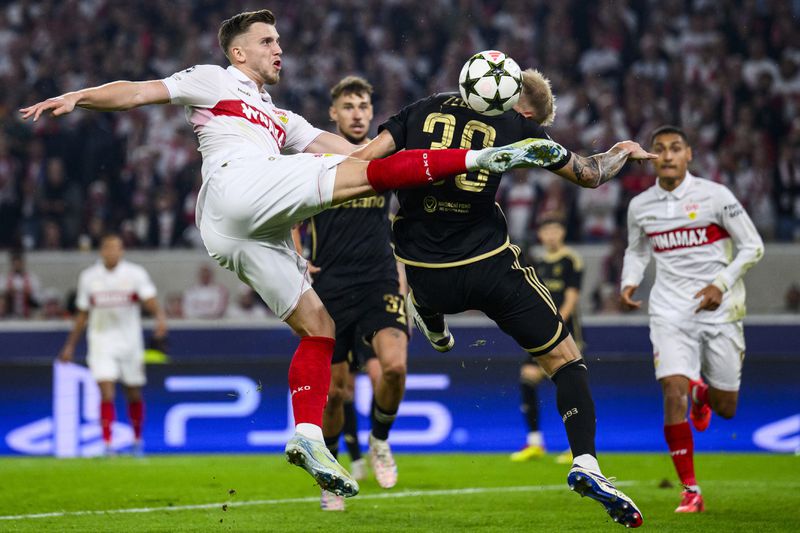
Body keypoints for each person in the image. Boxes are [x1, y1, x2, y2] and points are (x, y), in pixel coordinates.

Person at [21, 9, 562, 498]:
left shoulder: (280, 119)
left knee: (318, 327)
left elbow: (358, 154)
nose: (279, 48)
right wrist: (81, 96)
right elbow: (140, 91)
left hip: (237, 232)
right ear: (239, 53)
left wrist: (404, 149)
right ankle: (488, 157)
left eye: (279, 40)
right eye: (267, 41)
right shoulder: (213, 80)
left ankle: (306, 436)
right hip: (239, 185)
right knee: (370, 182)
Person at [352, 67, 655, 527]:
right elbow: (592, 174)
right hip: (489, 266)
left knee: (426, 275)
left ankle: (429, 314)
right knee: (565, 360)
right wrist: (621, 151)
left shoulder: (420, 110)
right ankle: (586, 463)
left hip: (426, 270)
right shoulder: (517, 127)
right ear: (519, 104)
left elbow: (365, 162)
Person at [620, 125, 764, 513]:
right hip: (668, 309)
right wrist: (630, 281)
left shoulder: (715, 197)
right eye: (660, 149)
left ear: (689, 156)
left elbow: (753, 246)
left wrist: (720, 283)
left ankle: (704, 395)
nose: (667, 155)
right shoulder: (640, 206)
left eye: (675, 148)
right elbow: (636, 250)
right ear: (651, 157)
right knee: (671, 391)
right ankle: (691, 490)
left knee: (727, 407)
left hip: (720, 309)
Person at [293, 76, 410, 510]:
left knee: (395, 368)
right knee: (337, 393)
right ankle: (330, 473)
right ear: (334, 114)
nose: (358, 113)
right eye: (349, 106)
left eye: (364, 105)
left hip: (380, 279)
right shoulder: (317, 159)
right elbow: (290, 213)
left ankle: (379, 440)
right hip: (331, 285)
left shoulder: (383, 154)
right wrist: (297, 255)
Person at [58, 234, 167, 456]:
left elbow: (149, 298)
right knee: (106, 392)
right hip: (101, 341)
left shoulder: (135, 273)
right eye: (108, 248)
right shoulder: (89, 277)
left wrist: (160, 317)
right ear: (101, 251)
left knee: (133, 392)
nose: (112, 252)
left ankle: (137, 440)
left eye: (116, 248)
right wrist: (70, 346)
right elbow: (82, 314)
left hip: (130, 342)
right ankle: (108, 444)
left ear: (122, 251)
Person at [510, 217, 582, 465]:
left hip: (565, 333)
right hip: (542, 332)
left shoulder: (571, 260)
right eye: (546, 230)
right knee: (527, 379)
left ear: (562, 232)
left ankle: (578, 446)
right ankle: (535, 442)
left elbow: (571, 298)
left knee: (569, 385)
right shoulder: (538, 263)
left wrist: (556, 324)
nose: (550, 234)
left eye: (555, 229)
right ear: (540, 235)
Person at [2, 250, 42, 318]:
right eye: (15, 263)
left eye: (19, 263)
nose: (17, 265)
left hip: (28, 314)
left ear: (23, 263)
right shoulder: (5, 279)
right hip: (10, 315)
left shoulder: (32, 279)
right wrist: (8, 293)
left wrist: (28, 293)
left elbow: (38, 300)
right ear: (12, 264)